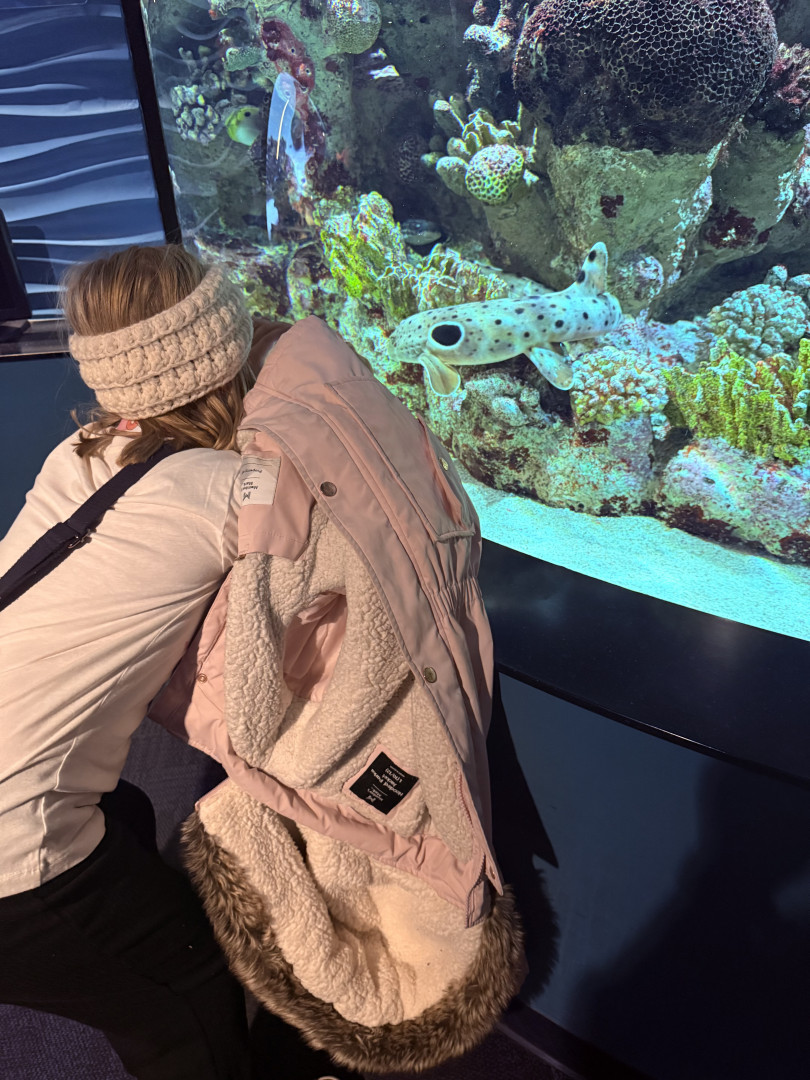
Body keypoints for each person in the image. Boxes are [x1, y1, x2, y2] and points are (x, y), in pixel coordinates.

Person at [0, 245, 343, 1080]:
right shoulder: (234, 487)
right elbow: (319, 531)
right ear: (222, 347)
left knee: (124, 811)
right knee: (188, 1000)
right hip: (16, 865)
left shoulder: (76, 452)